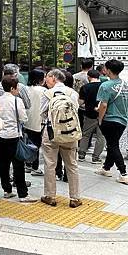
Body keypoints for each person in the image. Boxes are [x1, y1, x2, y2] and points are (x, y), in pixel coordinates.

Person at [40, 69, 82, 208]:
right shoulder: (73, 93)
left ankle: (50, 196)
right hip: (69, 132)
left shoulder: (47, 93)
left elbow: (43, 113)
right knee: (71, 164)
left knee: (50, 163)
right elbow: (75, 110)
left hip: (52, 132)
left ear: (53, 78)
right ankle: (75, 198)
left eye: (47, 77)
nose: (46, 80)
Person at [0, 75, 37, 203]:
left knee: (3, 163)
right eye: (17, 87)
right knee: (18, 164)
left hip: (0, 135)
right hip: (13, 136)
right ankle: (23, 194)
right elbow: (23, 118)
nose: (18, 89)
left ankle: (7, 190)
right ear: (12, 88)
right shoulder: (16, 101)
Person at [95, 59, 128, 185]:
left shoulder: (105, 85)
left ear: (108, 70)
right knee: (112, 143)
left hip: (109, 119)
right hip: (123, 120)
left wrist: (100, 119)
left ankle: (123, 173)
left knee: (113, 145)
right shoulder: (125, 84)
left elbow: (103, 105)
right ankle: (106, 168)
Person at [78, 69, 105, 163]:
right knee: (101, 137)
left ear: (89, 77)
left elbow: (80, 102)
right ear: (98, 77)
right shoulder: (104, 86)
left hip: (89, 114)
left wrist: (86, 105)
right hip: (103, 114)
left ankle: (81, 155)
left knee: (85, 135)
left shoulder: (85, 87)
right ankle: (96, 157)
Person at [24, 69, 46, 176]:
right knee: (36, 144)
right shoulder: (43, 90)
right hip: (38, 121)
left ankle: (27, 164)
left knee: (28, 143)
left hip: (26, 120)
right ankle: (35, 167)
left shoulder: (25, 89)